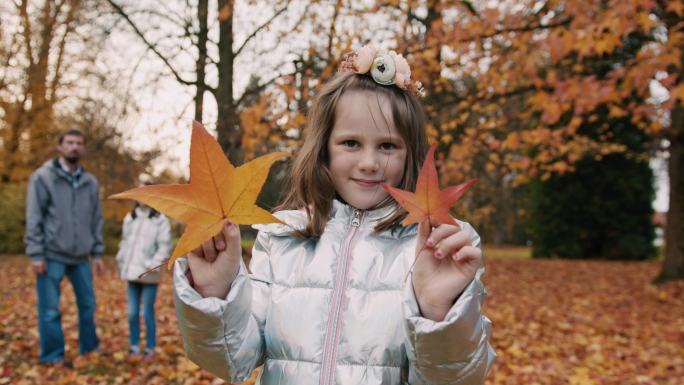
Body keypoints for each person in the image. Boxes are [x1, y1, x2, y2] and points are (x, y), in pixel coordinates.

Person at [173, 45, 496, 384]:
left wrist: (437, 313)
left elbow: (458, 378)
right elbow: (233, 361)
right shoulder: (281, 237)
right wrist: (215, 294)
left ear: (409, 153)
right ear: (324, 148)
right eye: (351, 143)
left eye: (387, 145)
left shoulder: (438, 245)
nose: (369, 162)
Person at [25, 129, 104, 365]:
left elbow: (96, 219)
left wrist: (98, 252)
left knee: (88, 306)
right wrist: (36, 253)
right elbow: (34, 216)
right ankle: (53, 356)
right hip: (51, 254)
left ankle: (89, 351)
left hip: (81, 257)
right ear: (60, 147)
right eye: (69, 142)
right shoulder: (42, 177)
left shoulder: (91, 182)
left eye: (79, 143)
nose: (74, 147)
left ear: (84, 148)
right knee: (50, 310)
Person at [115, 198, 171, 359]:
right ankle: (134, 346)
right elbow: (125, 242)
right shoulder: (130, 217)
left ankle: (150, 348)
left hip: (149, 274)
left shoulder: (160, 220)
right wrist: (121, 260)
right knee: (132, 313)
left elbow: (164, 246)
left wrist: (151, 265)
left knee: (147, 312)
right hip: (131, 272)